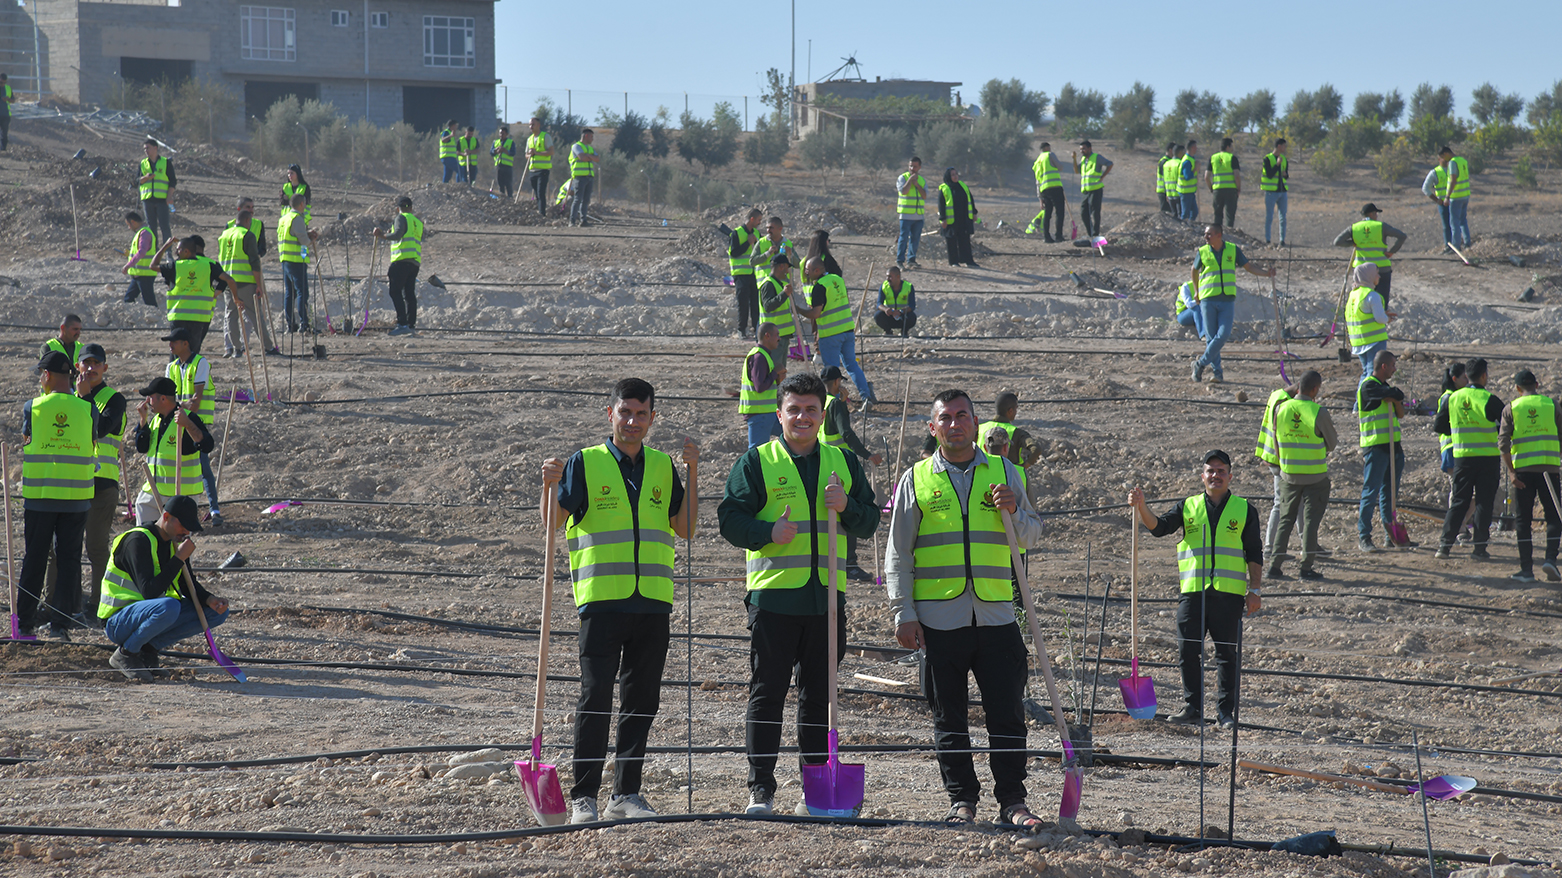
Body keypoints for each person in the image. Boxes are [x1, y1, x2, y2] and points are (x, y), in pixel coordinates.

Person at [716, 373, 878, 816]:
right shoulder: (757, 462)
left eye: (810, 410)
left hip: (826, 603)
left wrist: (847, 507)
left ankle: (816, 792)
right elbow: (730, 519)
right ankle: (761, 790)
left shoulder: (843, 462)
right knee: (767, 693)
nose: (802, 417)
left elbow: (869, 520)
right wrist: (768, 531)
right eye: (794, 409)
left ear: (822, 415)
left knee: (818, 698)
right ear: (779, 413)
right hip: (774, 601)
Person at [540, 378, 699, 823]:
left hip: (653, 603)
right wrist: (547, 486)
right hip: (602, 602)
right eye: (625, 412)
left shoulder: (663, 466)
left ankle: (625, 794)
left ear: (652, 418)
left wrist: (693, 473)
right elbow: (553, 523)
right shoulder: (585, 463)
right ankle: (584, 797)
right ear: (609, 414)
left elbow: (685, 528)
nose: (632, 421)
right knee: (595, 696)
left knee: (641, 700)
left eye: (641, 414)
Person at [886, 388, 1045, 826]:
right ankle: (962, 802)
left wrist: (1014, 512)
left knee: (1008, 715)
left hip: (996, 615)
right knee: (948, 717)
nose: (955, 424)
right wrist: (903, 612)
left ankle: (1013, 801)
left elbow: (1033, 534)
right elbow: (898, 554)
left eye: (962, 416)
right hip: (939, 619)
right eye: (946, 418)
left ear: (976, 423)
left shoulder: (1005, 471)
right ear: (932, 427)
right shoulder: (916, 479)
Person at [1128, 450, 1262, 727]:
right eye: (1211, 471)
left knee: (1226, 655)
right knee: (1187, 652)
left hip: (1228, 595)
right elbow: (1159, 528)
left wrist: (1255, 590)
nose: (1216, 475)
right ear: (1202, 476)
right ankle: (1193, 708)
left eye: (1221, 471)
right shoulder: (1188, 506)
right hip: (1192, 593)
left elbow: (1254, 552)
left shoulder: (1245, 509)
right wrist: (1141, 507)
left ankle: (1225, 713)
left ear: (1230, 476)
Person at [99, 495, 230, 683]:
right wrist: (179, 559)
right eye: (183, 525)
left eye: (189, 528)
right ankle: (126, 654)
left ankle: (148, 649)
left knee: (216, 613)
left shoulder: (174, 544)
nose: (186, 531)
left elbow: (186, 584)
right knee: (170, 606)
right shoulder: (138, 540)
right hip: (119, 621)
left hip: (152, 614)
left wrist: (209, 599)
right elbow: (149, 592)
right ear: (166, 517)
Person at [16, 352, 98, 639]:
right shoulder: (88, 409)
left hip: (40, 497)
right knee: (69, 562)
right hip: (77, 498)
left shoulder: (33, 407)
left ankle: (24, 624)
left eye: (41, 375)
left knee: (35, 559)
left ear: (47, 375)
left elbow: (27, 441)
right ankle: (59, 627)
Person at [1268, 371, 1337, 580]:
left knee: (1285, 520)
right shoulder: (1318, 412)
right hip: (1315, 477)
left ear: (1298, 387)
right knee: (1310, 524)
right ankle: (1306, 568)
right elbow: (1332, 443)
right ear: (1315, 389)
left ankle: (1274, 566)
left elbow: (1276, 440)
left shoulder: (1280, 408)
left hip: (1288, 475)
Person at [75, 343, 126, 619]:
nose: (91, 368)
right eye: (87, 363)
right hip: (72, 482)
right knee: (65, 548)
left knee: (96, 547)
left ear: (105, 367)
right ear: (78, 367)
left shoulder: (114, 399)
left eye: (97, 363)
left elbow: (100, 428)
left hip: (102, 483)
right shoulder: (68, 398)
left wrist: (85, 398)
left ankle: (98, 605)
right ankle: (67, 603)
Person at [1436, 358, 1505, 560]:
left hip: (1462, 458)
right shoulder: (1489, 399)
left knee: (1458, 502)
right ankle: (1479, 549)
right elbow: (1507, 424)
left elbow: (1439, 426)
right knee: (1484, 503)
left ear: (1467, 376)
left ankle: (1444, 546)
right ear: (1484, 376)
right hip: (1487, 459)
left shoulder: (1453, 398)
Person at [820, 367, 884, 582]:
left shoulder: (821, 402)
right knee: (849, 509)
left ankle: (832, 560)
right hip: (841, 464)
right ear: (837, 382)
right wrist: (867, 455)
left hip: (823, 462)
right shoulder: (835, 404)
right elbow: (845, 432)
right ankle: (850, 564)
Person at [1189, 225, 1276, 384]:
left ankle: (1200, 364)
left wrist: (1266, 274)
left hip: (1227, 300)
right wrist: (1196, 291)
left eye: (1209, 234)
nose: (1206, 237)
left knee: (1223, 335)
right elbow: (1194, 270)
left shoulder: (1232, 249)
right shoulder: (1202, 251)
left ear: (1219, 235)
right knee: (1211, 338)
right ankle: (1217, 373)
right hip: (1208, 299)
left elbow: (1249, 267)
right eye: (1205, 234)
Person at [1501, 370, 1561, 582]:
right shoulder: (1552, 405)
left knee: (1523, 520)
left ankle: (1526, 570)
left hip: (1523, 473)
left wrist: (1511, 473)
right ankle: (1550, 560)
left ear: (1518, 388)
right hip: (1549, 470)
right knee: (1554, 516)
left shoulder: (1511, 408)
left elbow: (1503, 444)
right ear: (1537, 385)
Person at [132, 376, 213, 526]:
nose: (147, 401)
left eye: (150, 397)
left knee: (176, 537)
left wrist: (187, 424)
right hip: (153, 490)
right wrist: (143, 421)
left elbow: (207, 445)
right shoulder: (156, 420)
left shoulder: (188, 417)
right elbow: (142, 448)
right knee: (144, 531)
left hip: (180, 494)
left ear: (163, 399)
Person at [162, 327, 222, 526]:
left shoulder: (200, 363)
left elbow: (195, 403)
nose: (170, 345)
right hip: (176, 422)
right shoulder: (171, 367)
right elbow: (166, 401)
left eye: (174, 342)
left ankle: (214, 510)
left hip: (196, 423)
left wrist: (178, 405)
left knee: (203, 467)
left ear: (185, 343)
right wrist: (182, 405)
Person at [801, 257, 877, 403]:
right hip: (847, 331)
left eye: (807, 270)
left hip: (830, 334)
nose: (805, 273)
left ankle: (834, 403)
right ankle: (866, 395)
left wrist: (800, 311)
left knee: (831, 371)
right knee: (852, 365)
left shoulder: (819, 287)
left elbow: (815, 313)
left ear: (817, 270)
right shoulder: (838, 280)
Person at [1356, 349, 1408, 553]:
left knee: (1390, 494)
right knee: (1371, 492)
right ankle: (1364, 537)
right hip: (1376, 447)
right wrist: (1393, 396)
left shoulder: (1386, 388)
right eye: (1393, 365)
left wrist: (1394, 398)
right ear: (1384, 366)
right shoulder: (1368, 386)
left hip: (1394, 447)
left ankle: (1390, 535)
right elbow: (1391, 395)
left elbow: (1400, 410)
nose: (1395, 369)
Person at [155, 235, 236, 356]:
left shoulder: (178, 264)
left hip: (179, 314)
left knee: (177, 350)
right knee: (193, 351)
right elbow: (226, 280)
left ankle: (177, 368)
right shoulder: (210, 264)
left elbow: (167, 281)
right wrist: (216, 293)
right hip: (202, 315)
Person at [217, 200, 277, 358]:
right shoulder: (247, 235)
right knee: (255, 316)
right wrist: (259, 285)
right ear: (247, 221)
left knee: (231, 315)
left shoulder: (224, 235)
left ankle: (236, 349)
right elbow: (254, 262)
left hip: (228, 282)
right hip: (245, 282)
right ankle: (268, 347)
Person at [1334, 204, 1406, 305]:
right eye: (1376, 213)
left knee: (1362, 301)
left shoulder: (1354, 227)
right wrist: (1392, 251)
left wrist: (1353, 242)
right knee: (1381, 303)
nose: (1377, 216)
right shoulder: (1381, 226)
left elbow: (1337, 242)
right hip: (1381, 269)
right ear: (1372, 214)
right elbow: (1402, 236)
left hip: (1361, 271)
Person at [373, 196, 423, 337]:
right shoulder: (417, 222)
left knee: (395, 291)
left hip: (401, 260)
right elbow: (408, 235)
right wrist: (392, 233)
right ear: (411, 208)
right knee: (409, 293)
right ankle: (411, 325)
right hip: (414, 262)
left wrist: (382, 235)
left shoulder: (401, 217)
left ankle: (402, 324)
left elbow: (398, 235)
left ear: (397, 209)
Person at [1345, 261, 1397, 388]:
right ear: (1369, 276)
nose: (1379, 276)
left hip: (1358, 341)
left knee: (1366, 372)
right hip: (1374, 340)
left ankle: (1360, 399)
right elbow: (1380, 318)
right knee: (1372, 374)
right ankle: (1364, 399)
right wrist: (1387, 319)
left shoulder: (1353, 294)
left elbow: (1362, 314)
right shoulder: (1372, 295)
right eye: (1376, 273)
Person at [740, 323, 786, 449]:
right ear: (767, 336)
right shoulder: (759, 357)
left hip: (768, 412)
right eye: (777, 335)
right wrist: (775, 372)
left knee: (792, 435)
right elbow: (759, 387)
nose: (779, 338)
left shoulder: (763, 355)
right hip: (760, 414)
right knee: (757, 452)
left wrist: (777, 379)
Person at [278, 192, 319, 333]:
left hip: (285, 260)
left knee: (290, 293)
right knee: (302, 292)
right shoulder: (297, 218)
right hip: (296, 261)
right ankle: (304, 324)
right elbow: (304, 241)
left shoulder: (284, 218)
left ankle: (290, 325)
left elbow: (293, 236)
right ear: (302, 204)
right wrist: (312, 238)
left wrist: (306, 234)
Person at [1423, 145, 1472, 252]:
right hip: (1455, 198)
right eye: (1441, 158)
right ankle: (1454, 245)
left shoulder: (1453, 163)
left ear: (1445, 154)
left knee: (1455, 223)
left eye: (1443, 157)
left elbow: (1453, 180)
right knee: (1454, 223)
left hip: (1455, 197)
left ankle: (1456, 246)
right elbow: (1425, 188)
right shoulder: (1460, 161)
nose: (1444, 160)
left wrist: (1447, 197)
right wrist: (1437, 200)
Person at [977, 392, 1042, 471]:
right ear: (1010, 411)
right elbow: (1036, 449)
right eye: (1016, 408)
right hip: (1008, 476)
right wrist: (1024, 466)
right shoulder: (1016, 432)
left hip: (982, 473)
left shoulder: (979, 428)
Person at [729, 208, 764, 338]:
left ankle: (757, 329)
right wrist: (747, 243)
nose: (760, 223)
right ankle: (741, 330)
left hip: (754, 274)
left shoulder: (757, 233)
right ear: (752, 219)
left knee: (755, 303)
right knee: (743, 303)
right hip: (741, 274)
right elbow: (734, 252)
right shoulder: (736, 233)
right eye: (759, 220)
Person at [937, 167, 978, 268]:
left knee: (965, 240)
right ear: (948, 177)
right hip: (951, 220)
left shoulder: (963, 186)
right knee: (951, 241)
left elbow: (970, 200)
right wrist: (943, 219)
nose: (955, 176)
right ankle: (953, 262)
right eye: (953, 175)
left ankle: (968, 261)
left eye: (956, 174)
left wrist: (974, 213)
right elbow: (941, 205)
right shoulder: (944, 188)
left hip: (964, 218)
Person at [137, 138, 176, 248]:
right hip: (147, 200)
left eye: (148, 148)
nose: (146, 151)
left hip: (162, 200)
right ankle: (154, 251)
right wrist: (146, 178)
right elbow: (137, 181)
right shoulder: (143, 163)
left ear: (155, 148)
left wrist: (169, 197)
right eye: (145, 149)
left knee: (165, 227)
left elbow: (173, 181)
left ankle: (167, 252)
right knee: (151, 228)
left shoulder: (166, 163)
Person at [757, 252, 798, 352]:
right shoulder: (768, 284)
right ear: (781, 266)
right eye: (787, 268)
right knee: (775, 362)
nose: (787, 271)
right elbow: (768, 306)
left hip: (782, 335)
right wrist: (784, 294)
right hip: (772, 337)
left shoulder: (780, 284)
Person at [1072, 140, 1113, 237]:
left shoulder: (1096, 157)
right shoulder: (1083, 160)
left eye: (1084, 149)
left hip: (1096, 189)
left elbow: (1110, 164)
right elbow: (1077, 171)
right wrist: (1074, 159)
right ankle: (1090, 232)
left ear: (1090, 149)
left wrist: (1103, 176)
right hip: (1086, 191)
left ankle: (1095, 232)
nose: (1082, 151)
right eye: (1080, 149)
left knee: (1095, 212)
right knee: (1084, 213)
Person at [1028, 142, 1066, 242]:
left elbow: (1038, 182)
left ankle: (1047, 237)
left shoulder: (1037, 162)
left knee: (1047, 213)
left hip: (1044, 190)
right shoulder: (1050, 155)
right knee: (1060, 212)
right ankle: (1058, 236)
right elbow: (1060, 167)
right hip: (1055, 187)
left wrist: (1040, 198)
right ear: (1046, 148)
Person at [121, 211, 161, 307]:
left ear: (133, 222)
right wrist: (129, 255)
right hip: (139, 274)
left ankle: (155, 315)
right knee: (128, 298)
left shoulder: (145, 233)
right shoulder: (141, 232)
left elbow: (142, 252)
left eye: (128, 225)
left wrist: (128, 265)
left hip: (145, 274)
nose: (129, 228)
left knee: (149, 301)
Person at [895, 157, 927, 269]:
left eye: (915, 166)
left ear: (919, 167)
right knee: (903, 238)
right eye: (911, 166)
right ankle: (900, 261)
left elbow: (924, 195)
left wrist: (917, 184)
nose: (912, 168)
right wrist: (910, 180)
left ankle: (911, 260)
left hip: (918, 216)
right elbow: (903, 191)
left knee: (915, 239)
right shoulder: (902, 178)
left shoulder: (922, 180)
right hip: (906, 215)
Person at [1206, 137, 1241, 229]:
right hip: (1231, 190)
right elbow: (1237, 176)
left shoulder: (1213, 158)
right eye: (1231, 146)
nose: (1232, 148)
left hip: (1217, 190)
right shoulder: (1232, 158)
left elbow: (1206, 177)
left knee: (1217, 215)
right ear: (1227, 147)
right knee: (1230, 216)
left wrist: (1211, 188)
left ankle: (1216, 232)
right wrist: (1238, 188)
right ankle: (1229, 233)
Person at [524, 117, 553, 218]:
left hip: (543, 170)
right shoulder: (529, 139)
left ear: (539, 125)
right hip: (533, 170)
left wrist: (536, 153)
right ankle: (540, 211)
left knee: (541, 192)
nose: (531, 126)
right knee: (537, 193)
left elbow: (551, 151)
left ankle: (542, 214)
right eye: (530, 125)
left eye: (533, 124)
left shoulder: (545, 137)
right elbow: (526, 155)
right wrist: (530, 154)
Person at [568, 128, 599, 227]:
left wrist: (588, 155)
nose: (592, 139)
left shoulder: (590, 148)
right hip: (579, 177)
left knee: (586, 200)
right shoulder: (576, 146)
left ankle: (583, 221)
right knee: (577, 199)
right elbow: (582, 158)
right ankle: (572, 221)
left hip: (589, 177)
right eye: (591, 136)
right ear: (586, 136)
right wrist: (589, 157)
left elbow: (597, 158)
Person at [1261, 139, 1289, 245]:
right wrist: (1277, 165)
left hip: (1282, 192)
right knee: (1269, 217)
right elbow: (1269, 174)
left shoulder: (1284, 159)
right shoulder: (1267, 159)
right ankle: (1268, 240)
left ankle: (1282, 240)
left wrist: (1286, 175)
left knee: (1283, 218)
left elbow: (1286, 174)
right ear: (1279, 146)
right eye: (1284, 146)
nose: (1285, 148)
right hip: (1271, 192)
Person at [875, 265, 916, 337]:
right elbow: (879, 304)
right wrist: (886, 309)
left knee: (912, 317)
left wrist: (901, 311)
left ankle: (904, 331)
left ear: (898, 277)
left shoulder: (908, 286)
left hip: (902, 316)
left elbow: (912, 306)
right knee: (878, 315)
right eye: (887, 276)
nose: (888, 279)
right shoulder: (884, 286)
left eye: (890, 277)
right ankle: (888, 331)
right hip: (889, 316)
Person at [1162, 144, 1186, 221]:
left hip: (1169, 193)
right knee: (1181, 216)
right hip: (1179, 193)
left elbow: (1165, 179)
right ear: (1180, 152)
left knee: (1174, 216)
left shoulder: (1166, 164)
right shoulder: (1180, 163)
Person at [1178, 139, 1199, 224]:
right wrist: (1195, 169)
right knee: (1185, 213)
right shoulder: (1187, 161)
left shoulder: (1191, 159)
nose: (1197, 149)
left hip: (1190, 191)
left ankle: (1190, 225)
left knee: (1194, 212)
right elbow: (1187, 176)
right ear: (1192, 148)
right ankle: (1183, 227)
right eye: (1196, 147)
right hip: (1185, 192)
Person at [491, 125, 516, 198]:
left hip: (507, 166)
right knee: (500, 183)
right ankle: (502, 198)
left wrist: (504, 150)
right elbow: (491, 152)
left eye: (503, 133)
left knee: (508, 184)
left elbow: (513, 153)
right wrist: (496, 151)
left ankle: (510, 197)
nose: (501, 135)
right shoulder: (495, 142)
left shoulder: (511, 142)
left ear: (506, 134)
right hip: (499, 165)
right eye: (500, 133)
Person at [1156, 143, 1175, 215]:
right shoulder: (1164, 162)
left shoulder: (1170, 161)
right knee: (1166, 214)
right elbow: (1166, 178)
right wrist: (1167, 193)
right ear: (1170, 150)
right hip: (1163, 191)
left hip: (1168, 191)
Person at [0, 71, 13, 150]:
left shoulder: (8, 88)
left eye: (4, 82)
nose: (3, 84)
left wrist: (8, 99)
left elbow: (13, 100)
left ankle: (3, 149)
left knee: (4, 134)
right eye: (1, 82)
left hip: (6, 114)